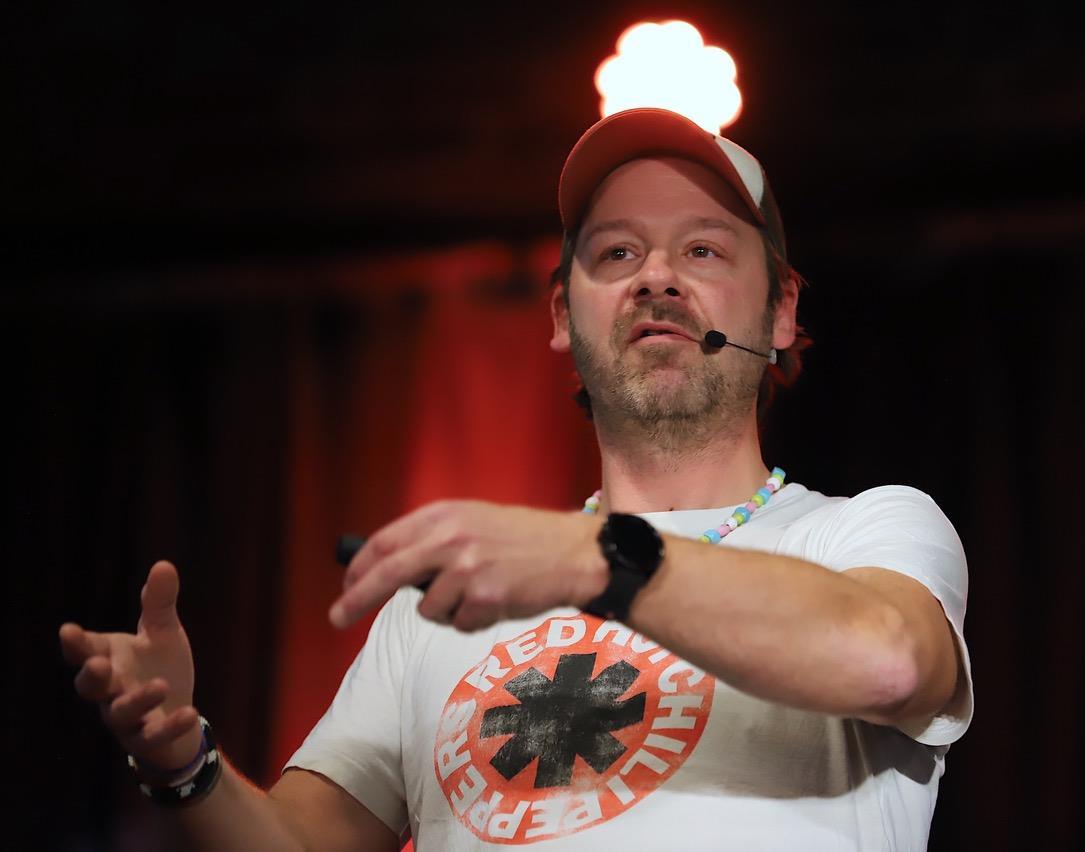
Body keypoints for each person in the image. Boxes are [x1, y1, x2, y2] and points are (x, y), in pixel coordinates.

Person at [60, 107, 973, 851]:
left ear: (780, 311)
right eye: (617, 253)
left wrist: (592, 555)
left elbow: (889, 659)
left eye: (703, 250)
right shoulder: (439, 610)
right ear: (562, 315)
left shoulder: (865, 533)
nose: (655, 276)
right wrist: (185, 763)